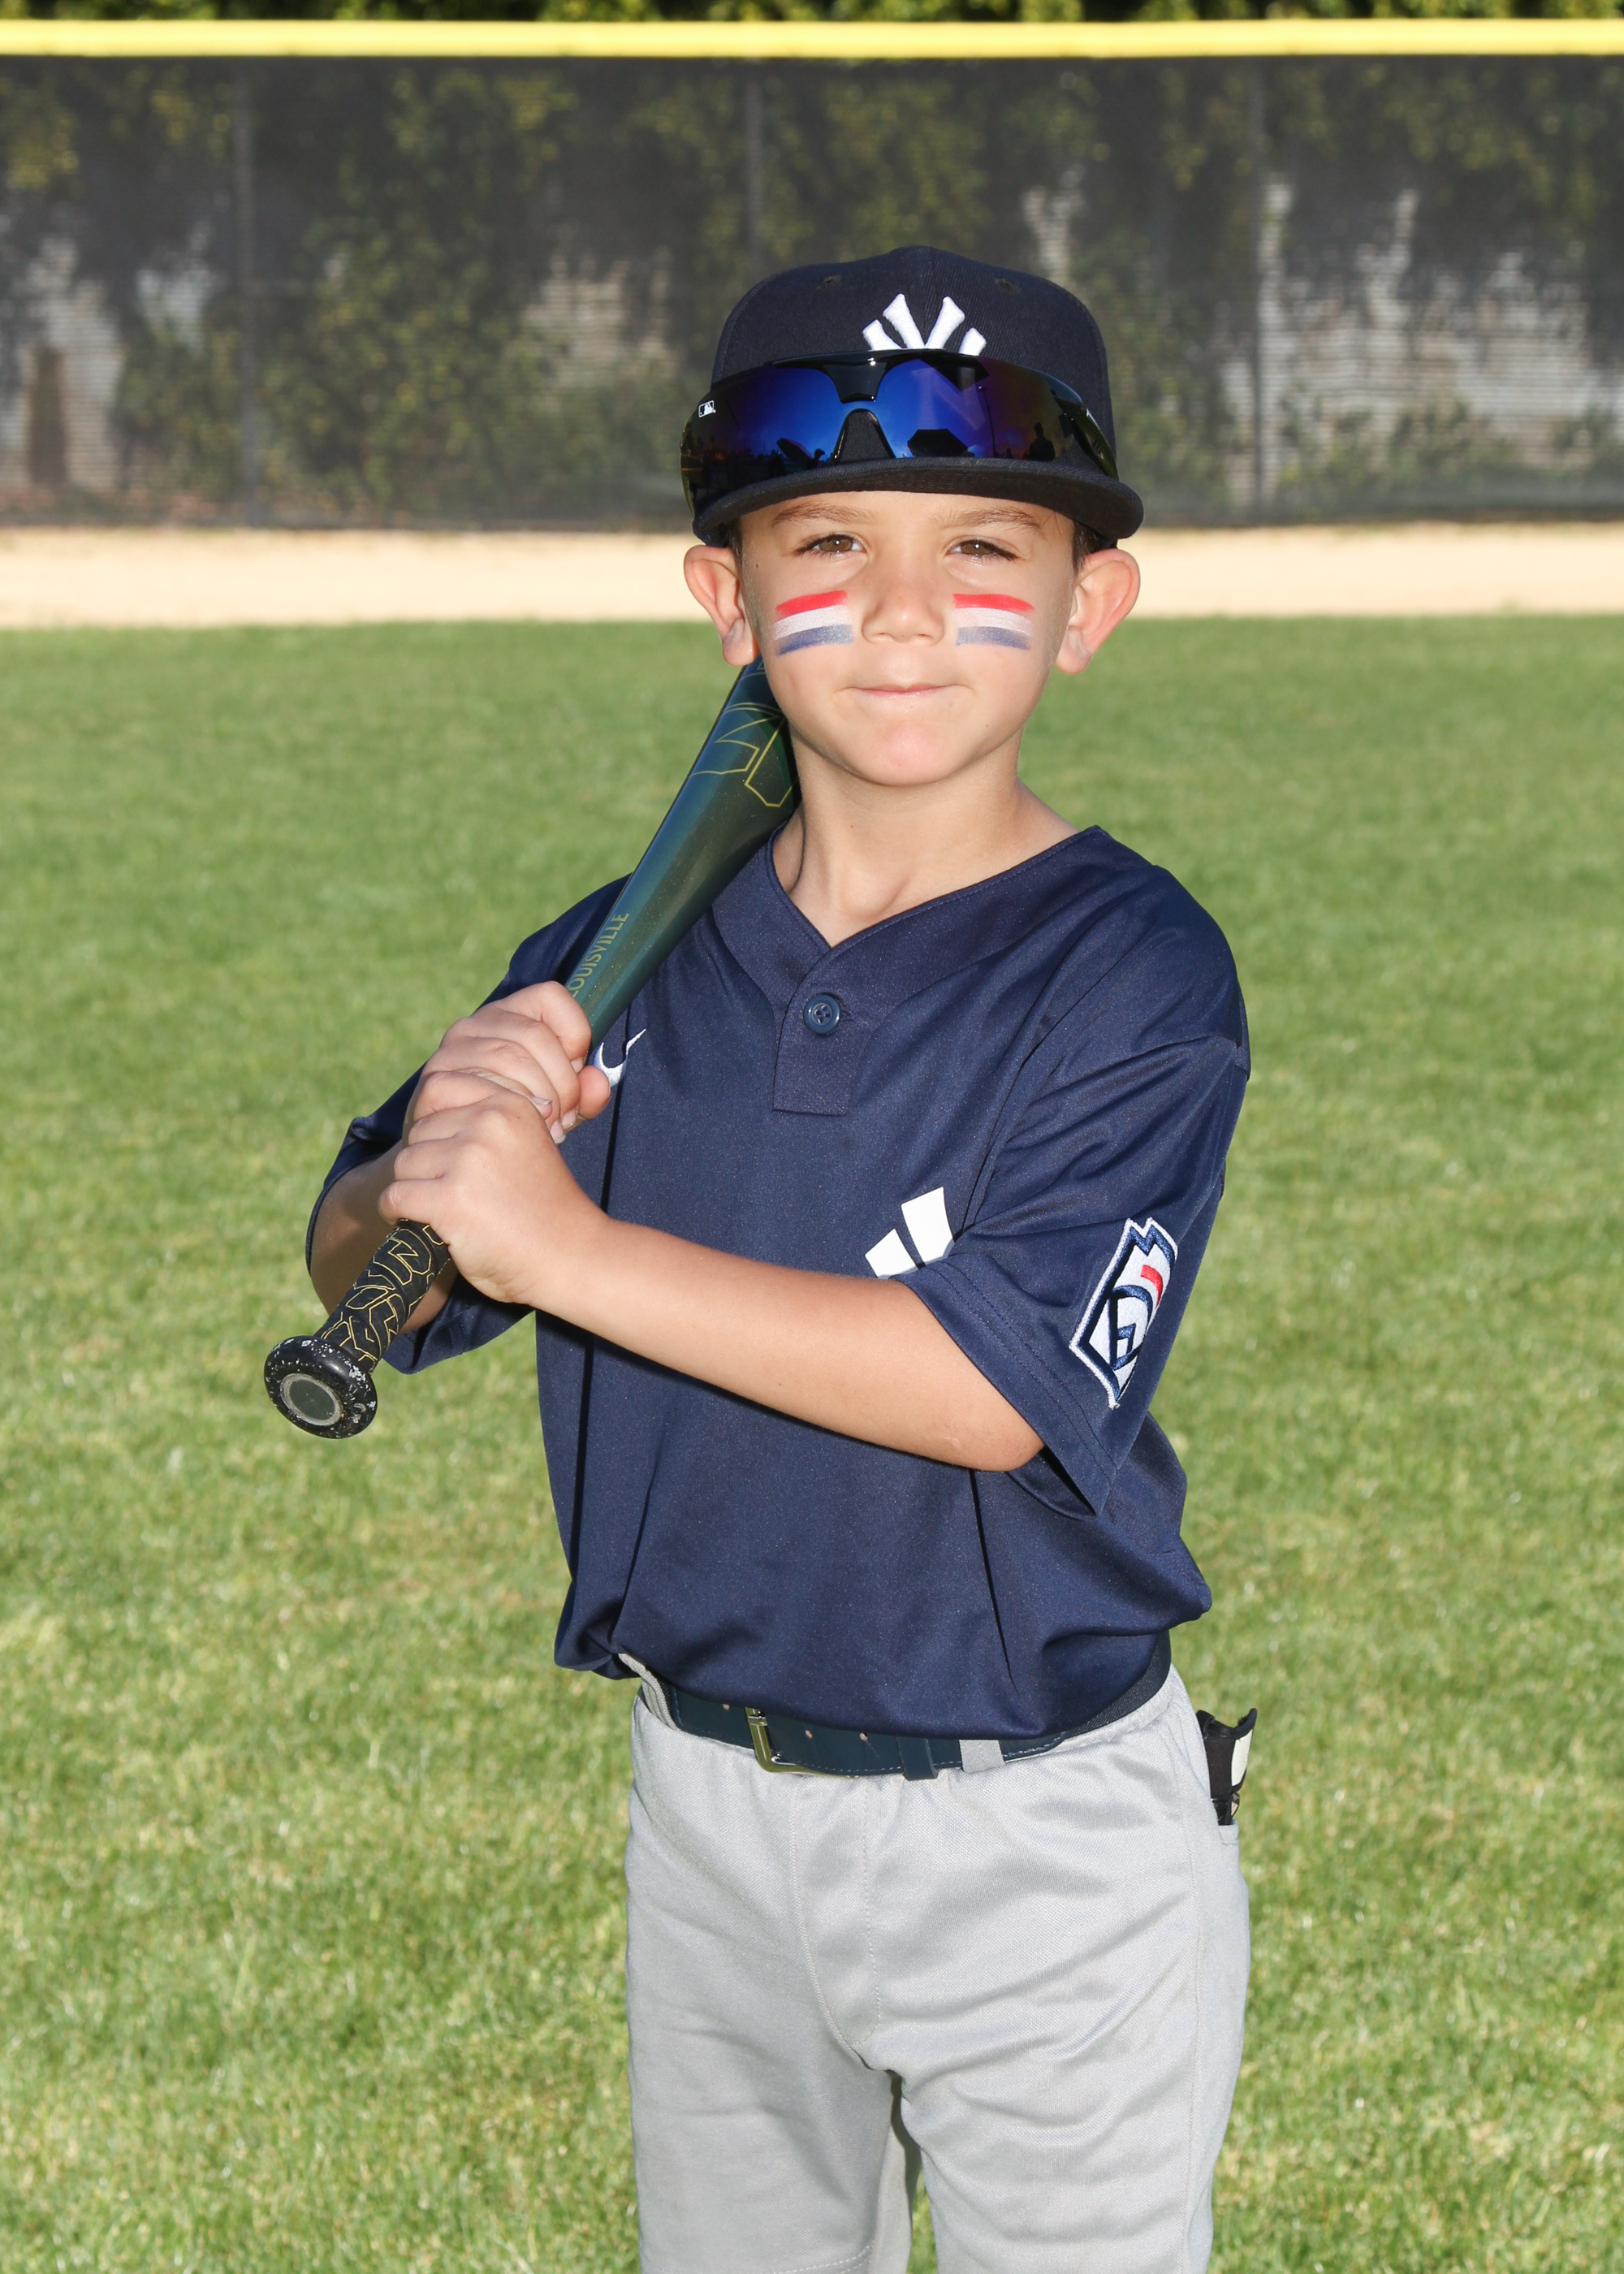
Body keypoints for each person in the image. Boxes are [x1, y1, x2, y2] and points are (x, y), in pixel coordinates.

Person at [309, 244, 1250, 2274]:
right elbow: (372, 1264)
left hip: (1036, 1838)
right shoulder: (616, 949)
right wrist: (426, 1160)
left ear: (1088, 605)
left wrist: (564, 1241)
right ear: (727, 602)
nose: (903, 610)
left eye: (982, 544)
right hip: (708, 1807)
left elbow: (989, 1387)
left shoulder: (1133, 972)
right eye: (827, 541)